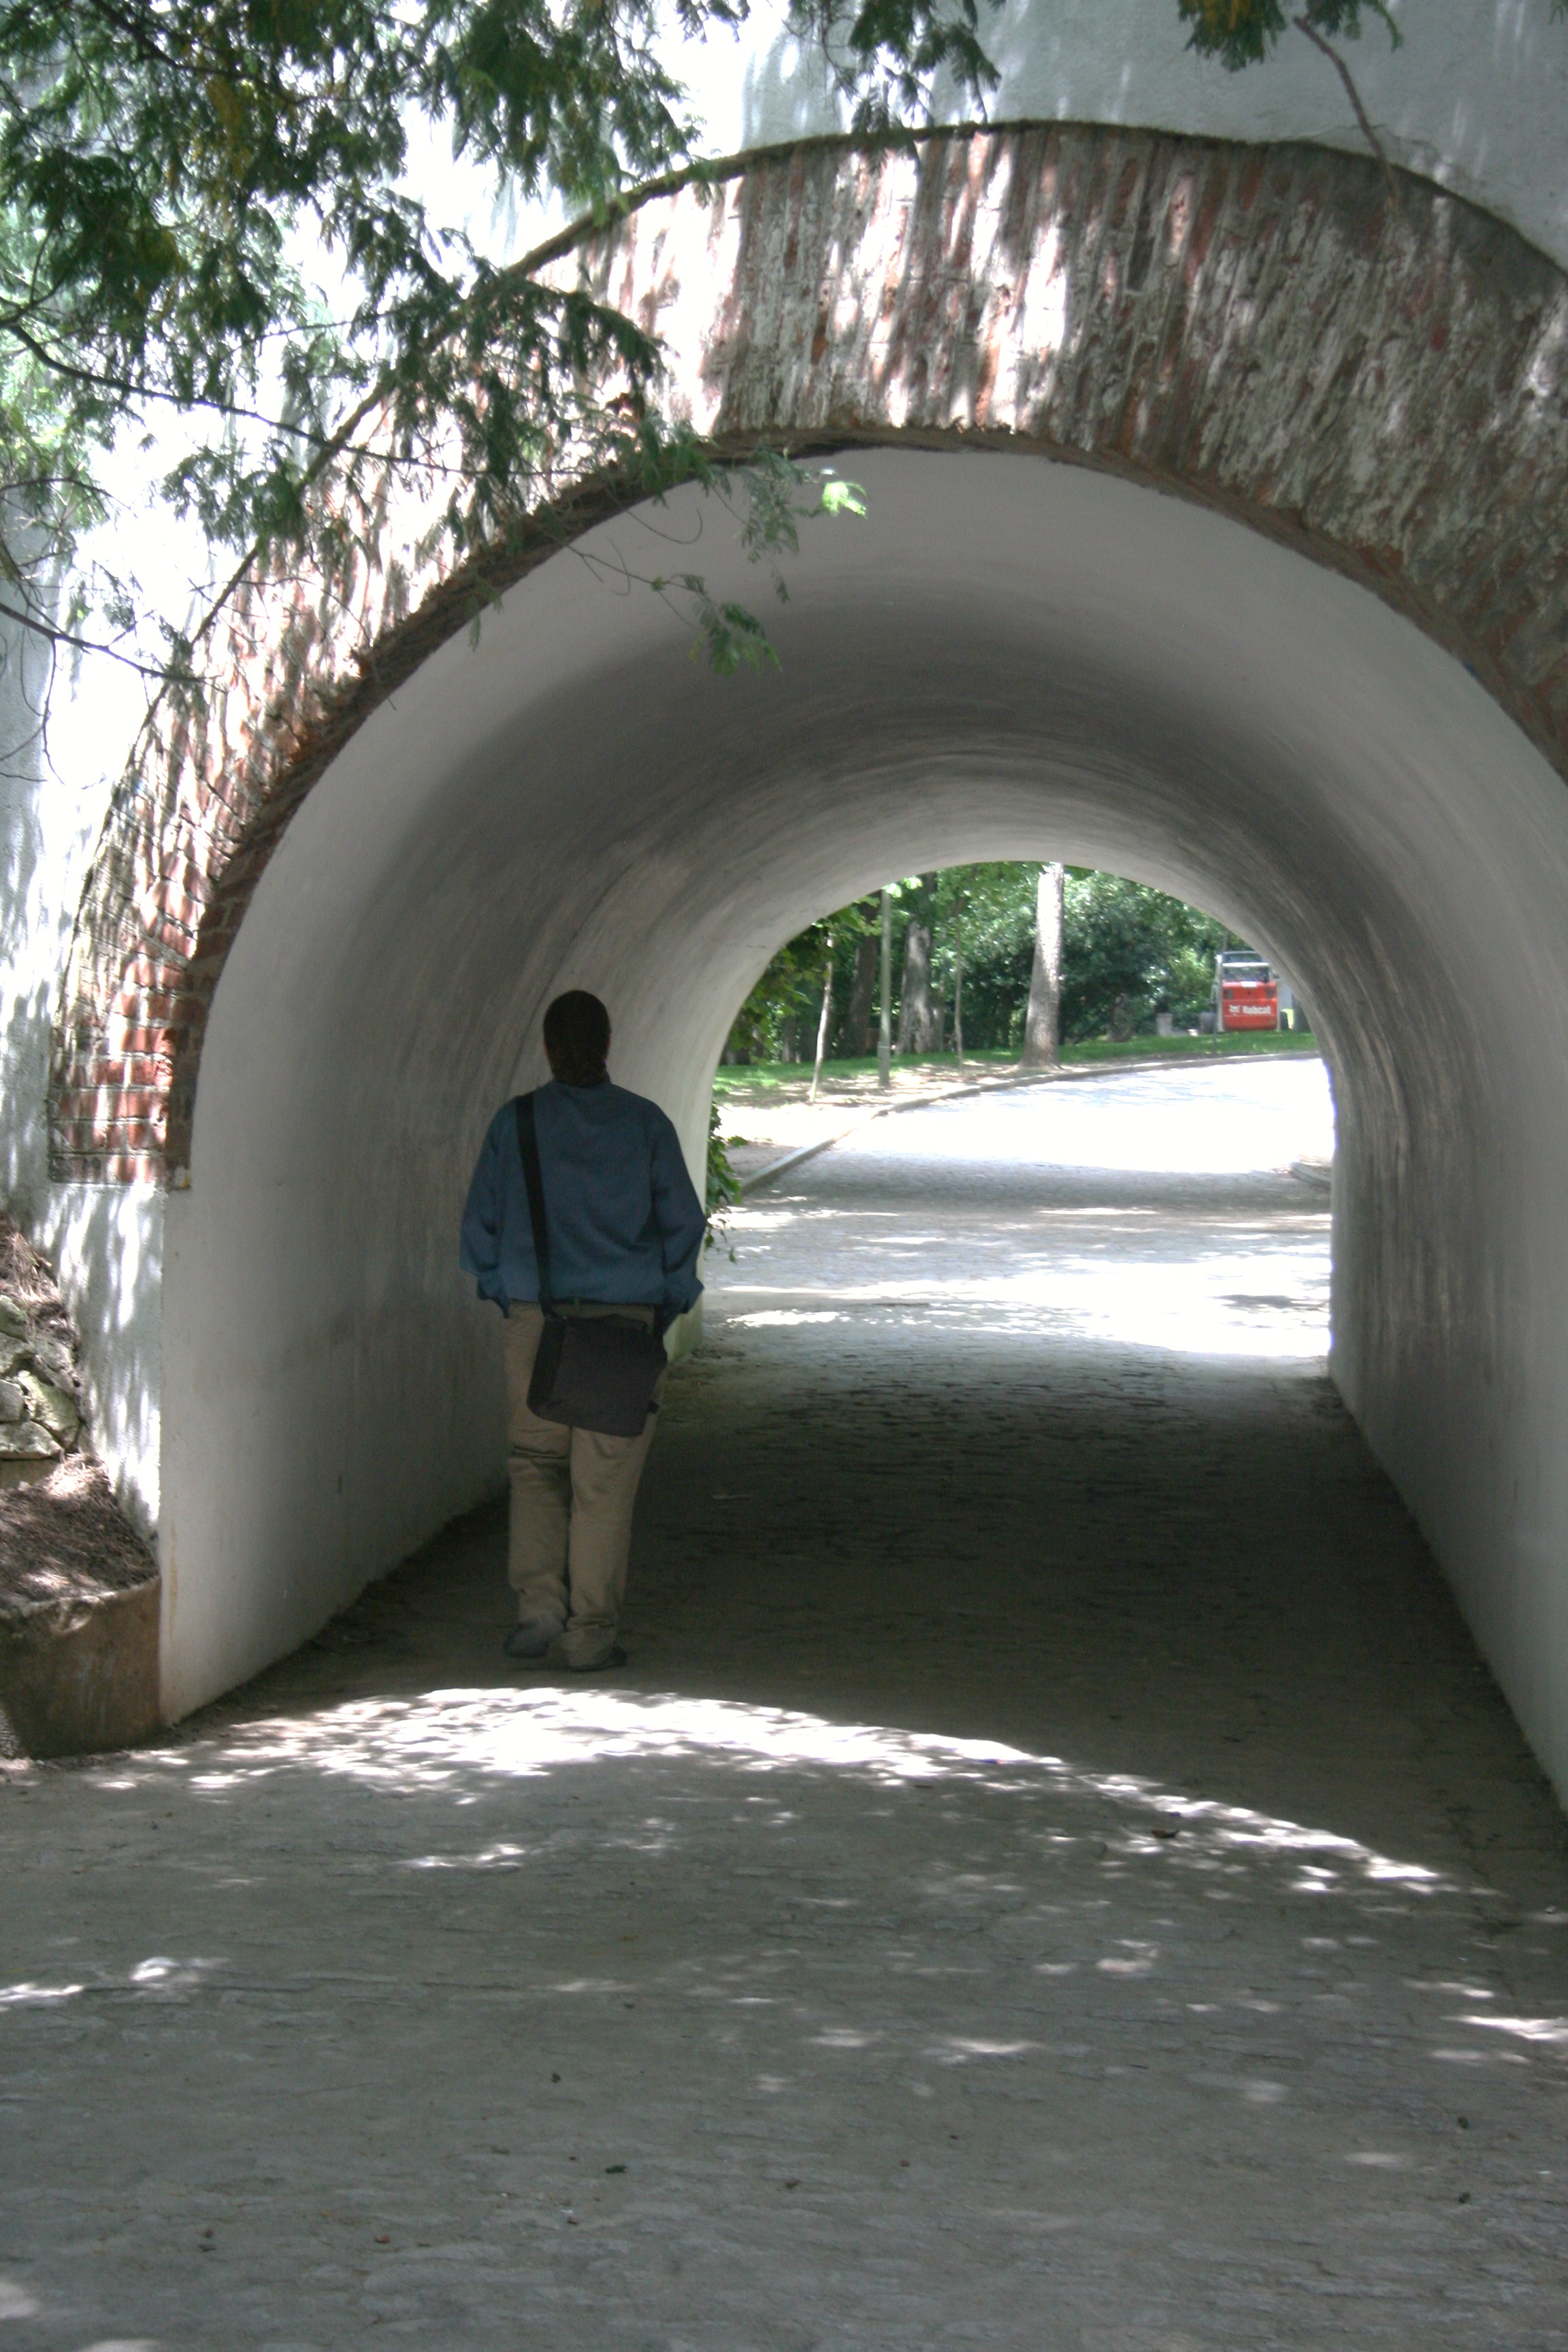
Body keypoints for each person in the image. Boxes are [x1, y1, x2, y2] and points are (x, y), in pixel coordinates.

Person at [459, 991, 706, 1671]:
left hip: (537, 1325)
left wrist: (510, 1297)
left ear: (546, 1047)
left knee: (536, 1468)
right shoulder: (646, 1125)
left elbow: (478, 1230)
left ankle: (539, 1612)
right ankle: (591, 1635)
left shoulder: (516, 1126)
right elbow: (683, 1226)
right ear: (607, 1045)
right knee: (603, 1487)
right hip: (622, 1334)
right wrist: (665, 1306)